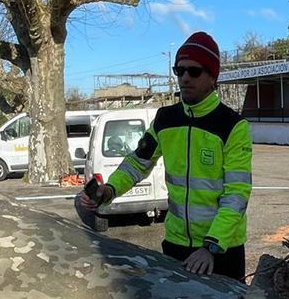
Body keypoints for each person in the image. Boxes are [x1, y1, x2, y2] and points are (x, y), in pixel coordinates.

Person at [79, 31, 252, 280]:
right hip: (176, 245)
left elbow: (237, 193)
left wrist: (212, 246)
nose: (185, 78)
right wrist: (109, 191)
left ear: (213, 77)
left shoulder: (233, 126)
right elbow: (137, 164)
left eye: (194, 71)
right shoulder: (165, 119)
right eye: (179, 70)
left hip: (222, 249)